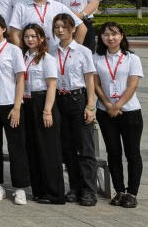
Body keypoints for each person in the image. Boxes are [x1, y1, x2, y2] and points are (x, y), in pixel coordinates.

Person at [0, 13, 31, 204]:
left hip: (10, 103)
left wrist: (17, 107)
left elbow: (20, 79)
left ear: (3, 29)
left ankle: (20, 188)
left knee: (17, 146)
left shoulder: (13, 50)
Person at [92, 22, 143, 208]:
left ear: (122, 36)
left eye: (114, 34)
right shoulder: (96, 58)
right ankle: (119, 190)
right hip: (106, 112)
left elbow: (133, 85)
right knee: (113, 152)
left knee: (132, 153)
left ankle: (132, 193)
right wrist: (108, 105)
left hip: (130, 111)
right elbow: (95, 84)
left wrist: (118, 105)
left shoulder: (132, 58)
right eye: (106, 34)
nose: (110, 38)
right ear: (101, 38)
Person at [51, 13, 99, 206]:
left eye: (64, 26)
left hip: (78, 99)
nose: (60, 30)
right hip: (59, 101)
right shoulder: (51, 53)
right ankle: (74, 187)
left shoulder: (83, 51)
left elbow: (90, 80)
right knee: (68, 147)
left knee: (85, 147)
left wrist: (90, 105)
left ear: (73, 29)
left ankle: (89, 190)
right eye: (57, 27)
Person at [20, 23, 65, 204]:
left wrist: (47, 111)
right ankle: (38, 189)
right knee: (33, 147)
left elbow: (52, 85)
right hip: (27, 102)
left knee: (48, 149)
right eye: (26, 36)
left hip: (43, 102)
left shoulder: (48, 59)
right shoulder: (24, 57)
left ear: (41, 38)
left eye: (33, 36)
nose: (30, 39)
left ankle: (54, 193)